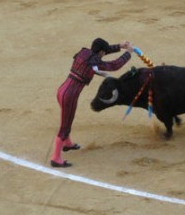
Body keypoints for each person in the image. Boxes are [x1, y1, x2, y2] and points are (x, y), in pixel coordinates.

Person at [50, 37, 133, 168]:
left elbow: (102, 51)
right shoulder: (94, 61)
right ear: (100, 52)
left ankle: (67, 143)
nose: (104, 54)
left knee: (66, 120)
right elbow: (113, 65)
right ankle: (55, 158)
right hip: (70, 96)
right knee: (65, 125)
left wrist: (120, 46)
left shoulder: (85, 52)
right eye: (103, 52)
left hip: (62, 90)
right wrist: (128, 53)